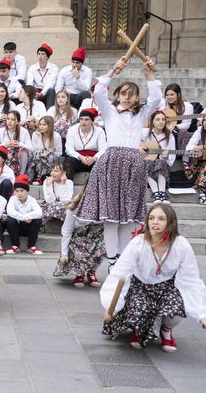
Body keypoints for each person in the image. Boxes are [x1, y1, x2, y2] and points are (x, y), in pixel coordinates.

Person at [75, 57, 160, 272]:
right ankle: (112, 261)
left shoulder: (141, 114)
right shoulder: (110, 111)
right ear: (118, 96)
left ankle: (122, 259)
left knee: (128, 218)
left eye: (131, 94)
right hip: (112, 163)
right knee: (111, 218)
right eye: (123, 94)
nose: (127, 98)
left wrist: (147, 73)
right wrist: (114, 69)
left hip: (133, 164)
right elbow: (99, 91)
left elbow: (156, 98)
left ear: (137, 97)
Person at [101, 204, 206, 352]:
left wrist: (202, 315)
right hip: (139, 285)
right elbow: (120, 273)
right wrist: (112, 305)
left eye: (161, 219)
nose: (155, 222)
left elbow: (191, 280)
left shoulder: (181, 245)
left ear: (172, 223)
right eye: (151, 218)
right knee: (140, 307)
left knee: (175, 313)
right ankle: (138, 328)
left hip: (166, 286)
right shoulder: (138, 242)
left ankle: (166, 330)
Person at [53, 185, 104, 288]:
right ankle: (80, 273)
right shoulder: (76, 204)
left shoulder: (105, 204)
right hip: (80, 237)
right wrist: (64, 253)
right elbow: (67, 229)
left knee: (103, 248)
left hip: (96, 236)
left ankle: (91, 272)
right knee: (79, 252)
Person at [141, 111, 176, 204]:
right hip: (147, 162)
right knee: (148, 162)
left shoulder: (170, 136)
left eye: (163, 119)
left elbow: (172, 158)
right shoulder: (145, 132)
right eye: (157, 119)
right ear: (152, 121)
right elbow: (132, 141)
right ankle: (156, 193)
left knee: (160, 162)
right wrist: (139, 147)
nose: (161, 122)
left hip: (162, 166)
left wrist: (165, 158)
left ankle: (162, 193)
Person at [4, 175, 43, 255]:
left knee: (38, 220)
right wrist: (24, 218)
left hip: (29, 228)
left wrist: (27, 217)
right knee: (10, 220)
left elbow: (39, 212)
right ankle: (15, 245)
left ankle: (31, 246)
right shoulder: (13, 199)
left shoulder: (31, 200)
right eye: (17, 191)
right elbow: (10, 211)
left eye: (22, 191)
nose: (19, 193)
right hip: (17, 228)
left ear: (27, 191)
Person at [64, 108, 107, 179]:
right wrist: (81, 157)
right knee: (69, 161)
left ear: (92, 121)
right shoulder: (72, 130)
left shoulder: (99, 131)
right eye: (81, 119)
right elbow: (69, 149)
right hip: (78, 159)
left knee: (102, 162)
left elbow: (103, 149)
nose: (83, 122)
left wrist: (94, 158)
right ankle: (68, 184)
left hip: (93, 159)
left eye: (86, 119)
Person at [0, 110, 31, 176]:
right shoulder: (1, 131)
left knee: (23, 151)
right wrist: (5, 144)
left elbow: (31, 148)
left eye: (13, 119)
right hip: (5, 156)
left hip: (17, 157)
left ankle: (21, 175)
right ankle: (0, 173)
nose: (9, 121)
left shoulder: (24, 131)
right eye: (8, 119)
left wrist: (19, 144)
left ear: (18, 122)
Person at [29, 116, 62, 184]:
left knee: (49, 154)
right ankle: (39, 176)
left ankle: (50, 174)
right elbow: (34, 149)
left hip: (52, 159)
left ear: (50, 126)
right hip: (39, 157)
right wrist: (43, 154)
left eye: (44, 125)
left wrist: (47, 154)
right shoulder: (36, 134)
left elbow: (59, 152)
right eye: (40, 124)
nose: (41, 127)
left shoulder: (56, 136)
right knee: (38, 154)